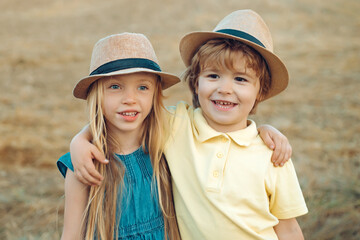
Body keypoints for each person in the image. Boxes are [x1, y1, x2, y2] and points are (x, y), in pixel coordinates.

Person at [63, 10, 303, 240]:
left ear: (260, 91)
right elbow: (131, 114)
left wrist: (267, 130)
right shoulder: (180, 125)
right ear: (195, 82)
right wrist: (80, 140)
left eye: (240, 79)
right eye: (213, 76)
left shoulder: (273, 155)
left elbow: (289, 231)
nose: (225, 88)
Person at [58, 33, 181, 239]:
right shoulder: (85, 164)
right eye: (115, 87)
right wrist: (79, 140)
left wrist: (256, 129)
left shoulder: (169, 145)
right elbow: (72, 235)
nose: (130, 99)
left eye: (143, 87)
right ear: (97, 95)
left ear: (155, 94)